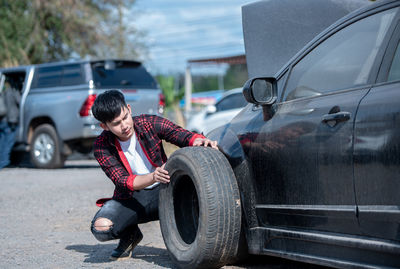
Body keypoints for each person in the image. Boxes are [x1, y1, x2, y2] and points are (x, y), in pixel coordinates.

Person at [90, 90, 218, 261]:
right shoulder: (101, 146)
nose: (125, 125)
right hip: (133, 198)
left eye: (125, 117)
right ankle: (130, 235)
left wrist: (200, 141)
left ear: (129, 109)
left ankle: (190, 237)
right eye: (116, 123)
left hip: (166, 189)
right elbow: (123, 180)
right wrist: (153, 176)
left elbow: (180, 135)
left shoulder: (148, 123)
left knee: (202, 199)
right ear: (105, 126)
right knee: (102, 227)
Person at [0, 80, 21, 169]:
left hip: (2, 120)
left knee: (2, 142)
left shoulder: (3, 92)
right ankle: (4, 163)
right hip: (11, 120)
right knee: (8, 142)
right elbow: (20, 101)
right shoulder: (12, 91)